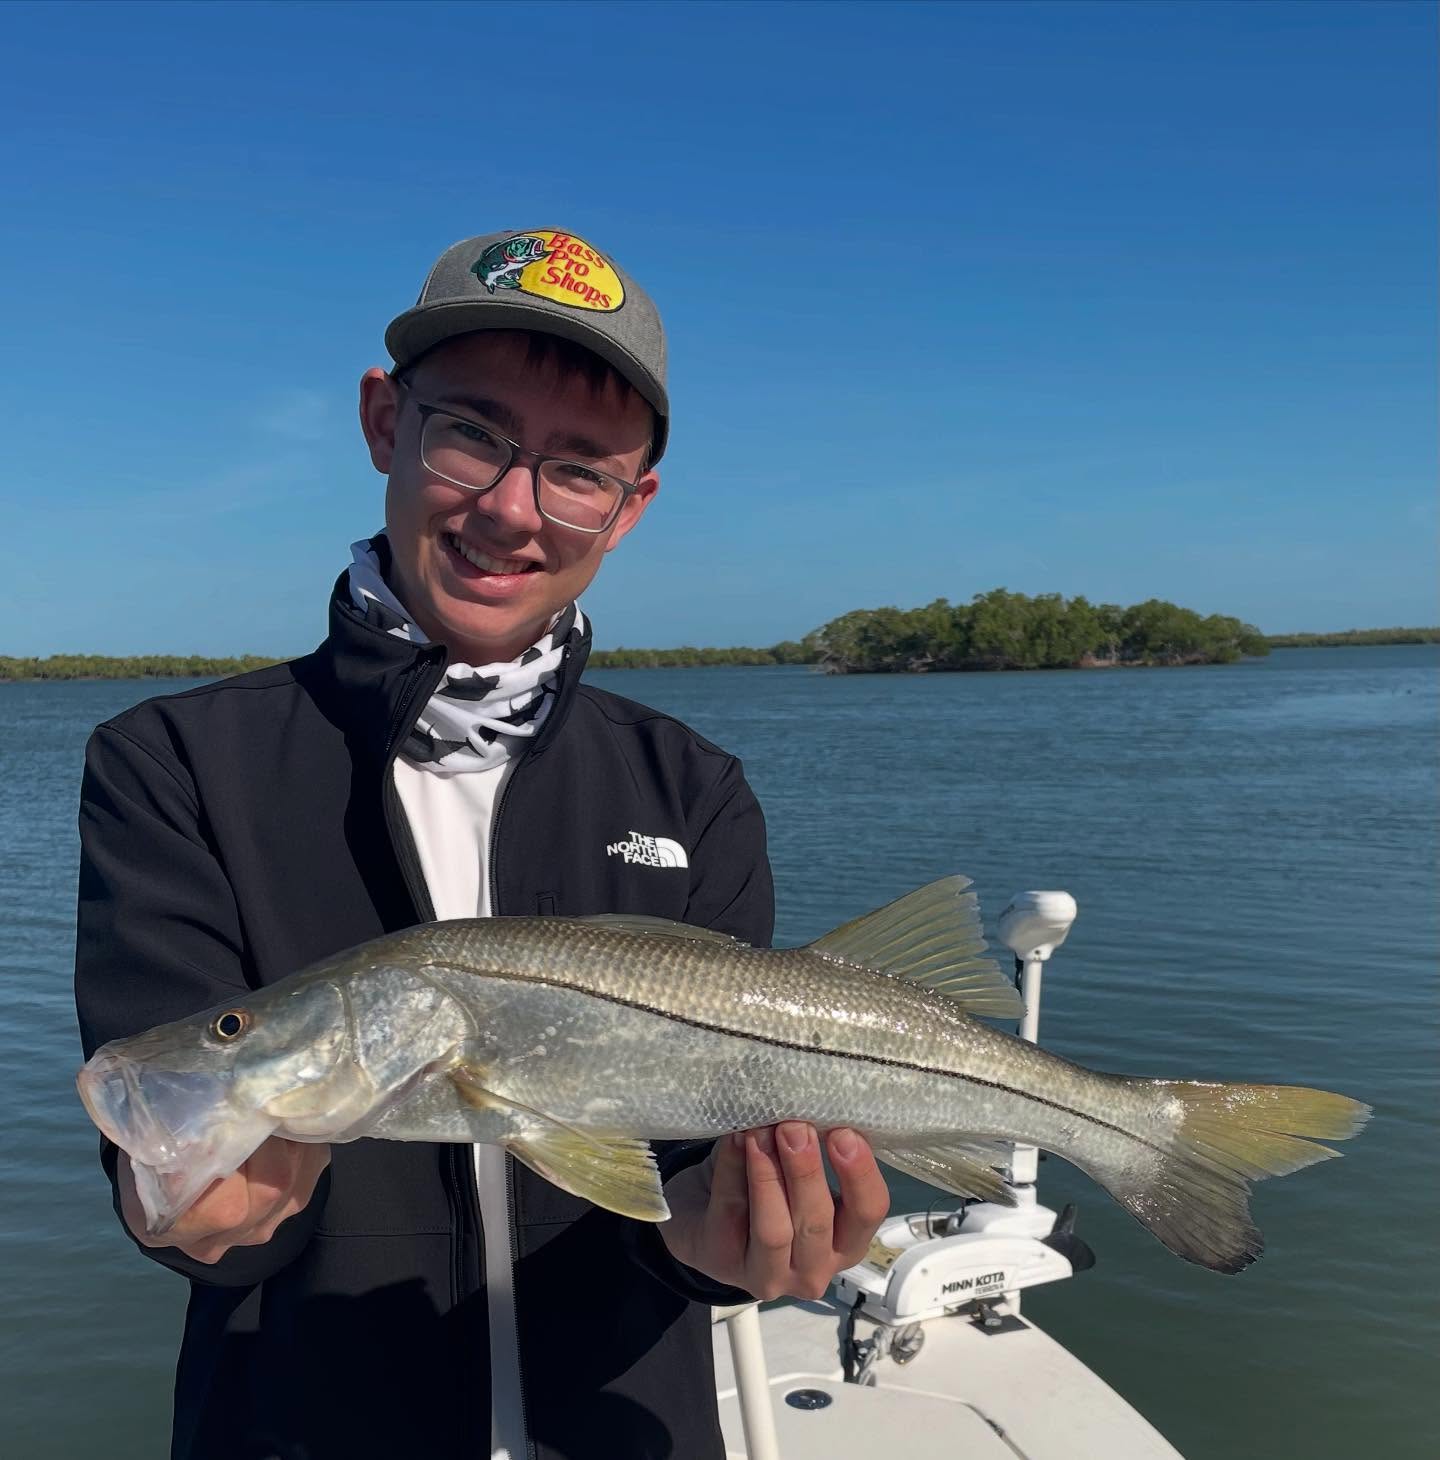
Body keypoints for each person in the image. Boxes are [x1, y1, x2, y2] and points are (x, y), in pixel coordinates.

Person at [75, 229, 891, 1460]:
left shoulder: (695, 788)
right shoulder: (175, 763)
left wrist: (719, 1249)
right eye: (472, 434)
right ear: (383, 422)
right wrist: (188, 1209)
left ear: (630, 510)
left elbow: (678, 1185)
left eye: (579, 471)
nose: (512, 507)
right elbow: (177, 1129)